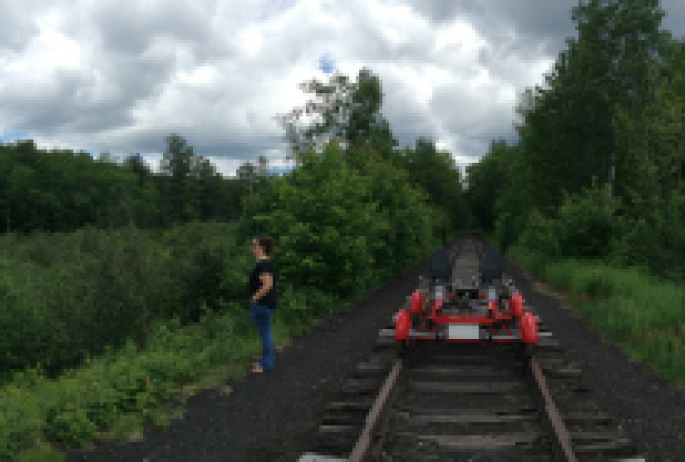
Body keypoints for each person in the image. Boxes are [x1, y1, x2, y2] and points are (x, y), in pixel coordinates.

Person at [248, 235, 277, 373]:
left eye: (254, 246)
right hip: (264, 304)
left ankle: (266, 364)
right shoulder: (264, 263)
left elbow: (267, 285)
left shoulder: (263, 264)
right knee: (265, 333)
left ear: (262, 248)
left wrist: (254, 298)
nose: (252, 248)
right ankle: (266, 360)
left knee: (265, 333)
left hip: (261, 304)